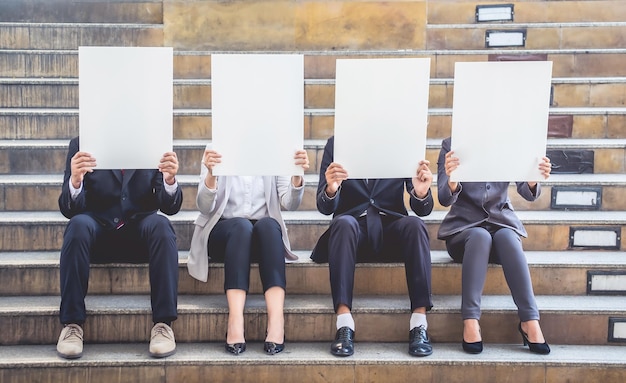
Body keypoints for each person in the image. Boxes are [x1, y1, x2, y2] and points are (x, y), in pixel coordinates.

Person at [56, 137, 182, 359]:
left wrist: (170, 180)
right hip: (97, 230)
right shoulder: (82, 144)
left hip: (139, 230)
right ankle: (72, 325)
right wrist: (76, 181)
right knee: (77, 225)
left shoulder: (152, 143)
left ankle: (163, 324)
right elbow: (70, 209)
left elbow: (169, 207)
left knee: (162, 226)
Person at [310, 136, 435, 357]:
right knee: (343, 222)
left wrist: (421, 192)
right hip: (350, 231)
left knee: (416, 225)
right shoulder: (336, 144)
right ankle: (344, 324)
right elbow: (324, 206)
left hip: (390, 226)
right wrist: (331, 189)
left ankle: (419, 324)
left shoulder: (400, 143)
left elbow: (422, 209)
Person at [187, 145, 309, 355]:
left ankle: (276, 319)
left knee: (270, 226)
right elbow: (204, 206)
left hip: (262, 237)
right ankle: (235, 320)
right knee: (241, 227)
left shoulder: (273, 148)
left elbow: (289, 202)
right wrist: (210, 174)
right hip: (224, 234)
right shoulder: (217, 146)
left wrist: (297, 177)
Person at [437, 136, 552, 355]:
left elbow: (528, 193)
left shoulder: (508, 140)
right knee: (480, 236)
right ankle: (470, 320)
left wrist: (533, 177)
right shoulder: (451, 144)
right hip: (463, 231)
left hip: (500, 222)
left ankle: (529, 320)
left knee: (508, 238)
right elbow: (444, 198)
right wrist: (452, 179)